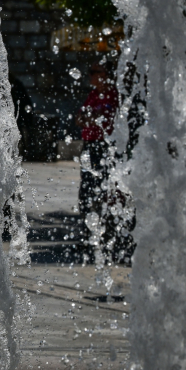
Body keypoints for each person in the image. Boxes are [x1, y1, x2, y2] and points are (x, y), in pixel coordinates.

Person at [75, 61, 120, 262]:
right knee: (86, 190)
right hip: (90, 145)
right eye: (90, 71)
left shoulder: (113, 95)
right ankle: (87, 234)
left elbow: (103, 117)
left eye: (94, 71)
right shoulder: (93, 95)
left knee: (105, 190)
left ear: (105, 75)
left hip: (105, 146)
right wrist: (92, 117)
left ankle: (108, 233)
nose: (90, 75)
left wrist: (92, 117)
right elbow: (80, 118)